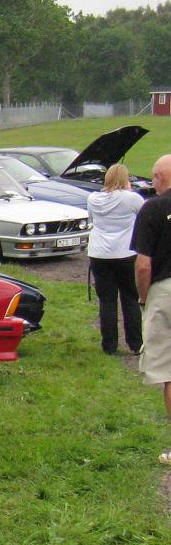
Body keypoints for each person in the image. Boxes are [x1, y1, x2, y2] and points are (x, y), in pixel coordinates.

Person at [132, 154, 171, 464]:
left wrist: (143, 299)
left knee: (169, 372)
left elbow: (144, 264)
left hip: (165, 289)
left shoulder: (153, 208)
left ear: (159, 177)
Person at [85, 162, 144, 355]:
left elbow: (92, 220)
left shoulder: (93, 199)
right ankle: (135, 344)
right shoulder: (132, 199)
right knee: (130, 298)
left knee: (107, 300)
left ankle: (109, 346)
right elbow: (143, 218)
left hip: (100, 253)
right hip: (125, 253)